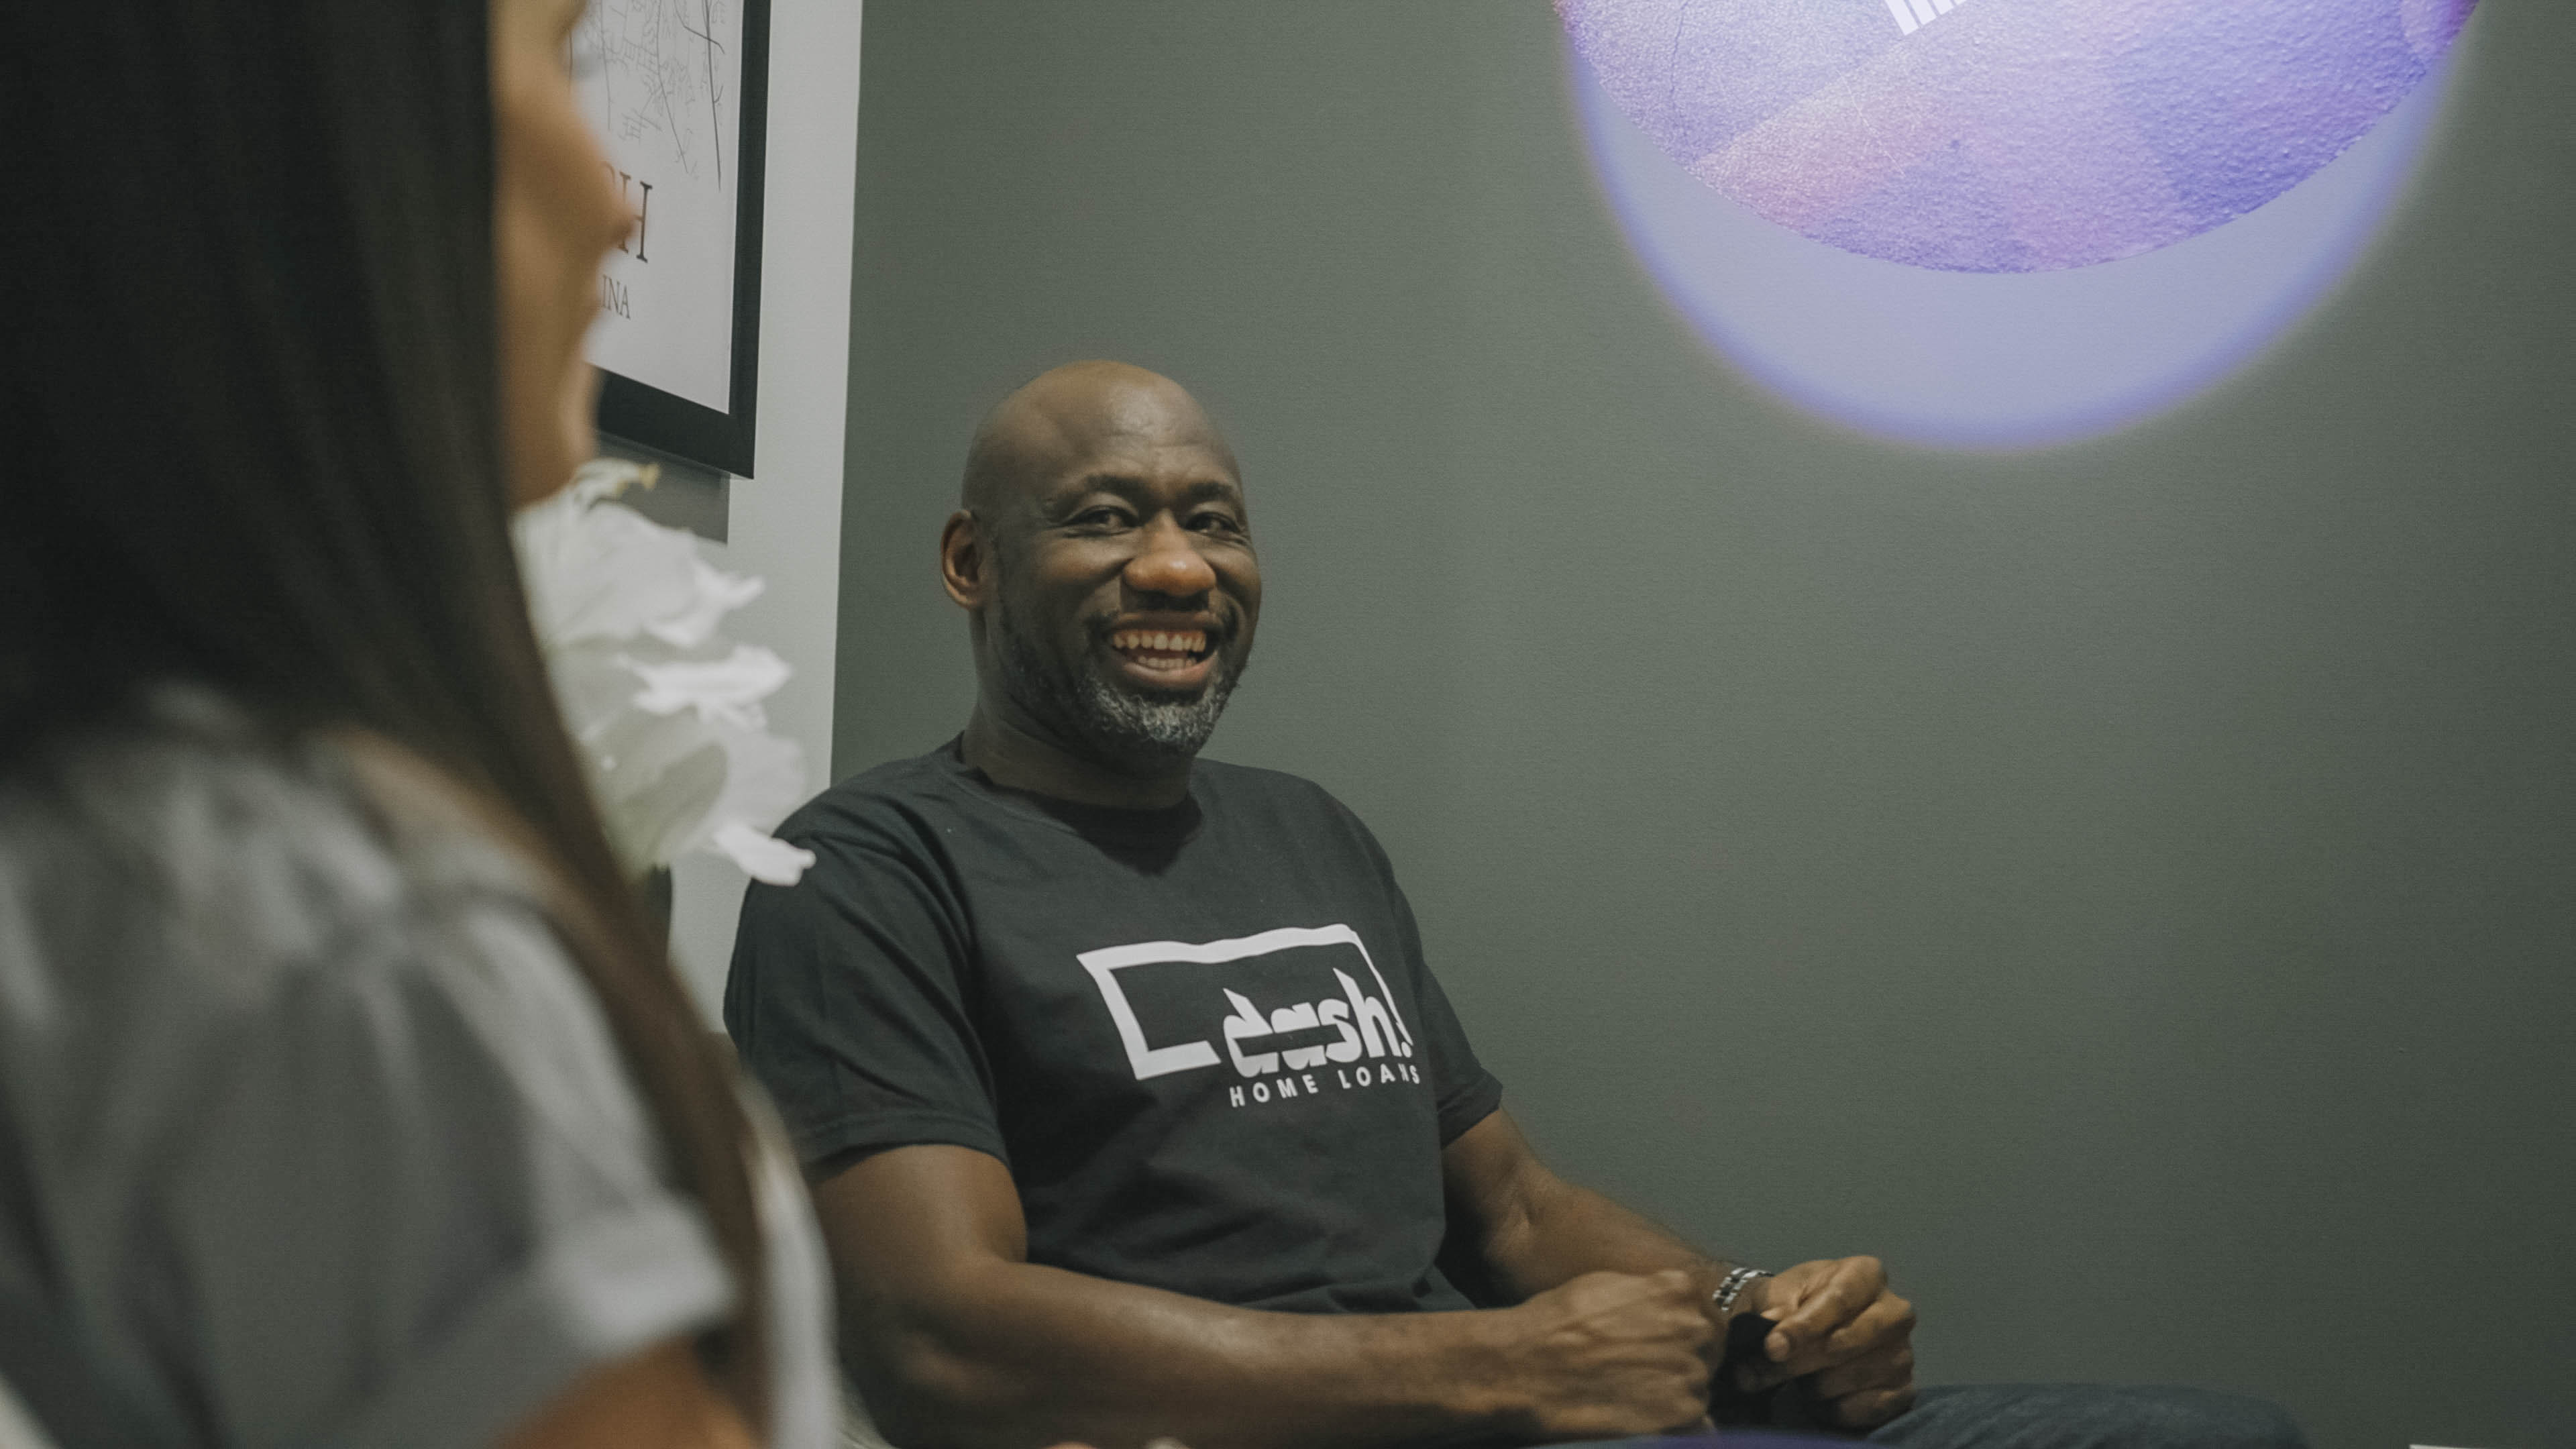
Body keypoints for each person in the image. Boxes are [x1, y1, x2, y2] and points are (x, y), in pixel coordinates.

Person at [726, 362, 2309, 1449]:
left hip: (1529, 1416)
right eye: (1104, 514)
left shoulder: (1306, 833)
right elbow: (937, 1334)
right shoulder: (870, 871)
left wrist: (1759, 1316)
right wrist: (1493, 1367)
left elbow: (1519, 1215)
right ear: (970, 561)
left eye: (1212, 519)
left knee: (2219, 1437)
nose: (1178, 568)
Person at [0, 2, 834, 1446]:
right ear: (303, 154)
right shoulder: (372, 950)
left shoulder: (111, 842)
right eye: (563, 64)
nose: (620, 203)